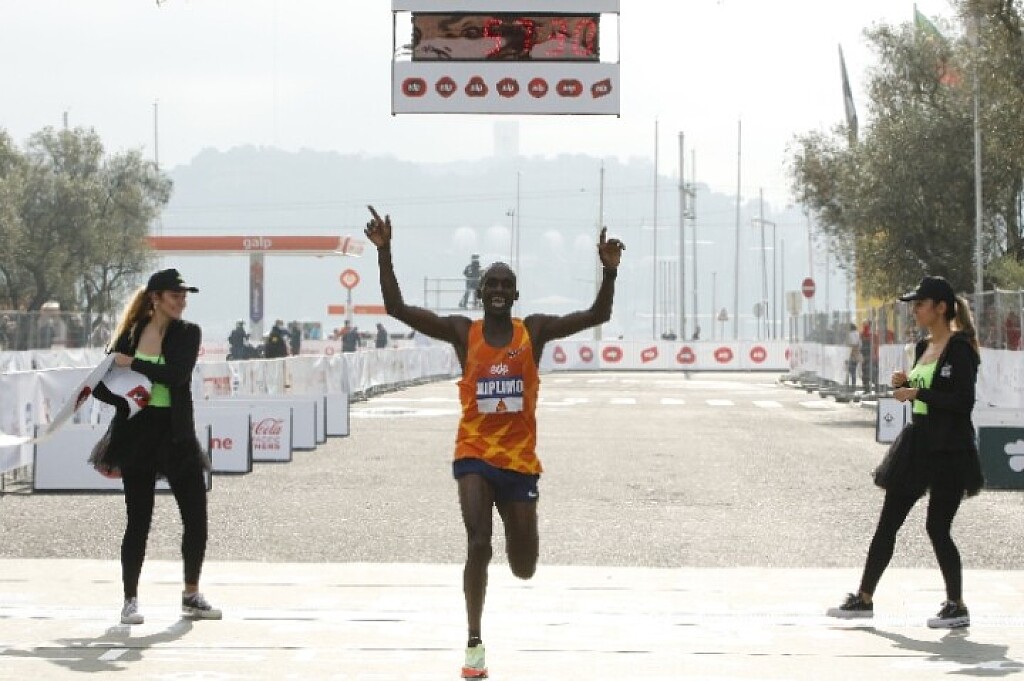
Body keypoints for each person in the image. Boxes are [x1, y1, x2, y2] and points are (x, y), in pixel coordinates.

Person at [364, 205, 624, 679]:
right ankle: (473, 644)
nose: (499, 290)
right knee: (478, 543)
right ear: (481, 292)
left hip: (519, 462)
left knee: (523, 566)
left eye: (506, 284)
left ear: (515, 294)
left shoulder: (533, 331)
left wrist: (608, 271)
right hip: (475, 454)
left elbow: (597, 314)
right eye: (492, 284)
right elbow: (398, 309)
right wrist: (385, 252)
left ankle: (518, 532)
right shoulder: (463, 333)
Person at [826, 276, 983, 628]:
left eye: (920, 304)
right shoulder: (922, 346)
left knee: (937, 527)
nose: (915, 311)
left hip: (950, 448)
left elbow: (962, 402)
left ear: (940, 308)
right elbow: (924, 397)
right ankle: (863, 598)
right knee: (888, 523)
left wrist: (917, 393)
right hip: (919, 443)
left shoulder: (960, 349)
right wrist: (907, 386)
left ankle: (956, 605)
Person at [91, 268, 221, 625]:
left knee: (196, 517)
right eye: (175, 296)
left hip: (177, 433)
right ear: (156, 298)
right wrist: (128, 399)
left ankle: (191, 594)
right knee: (138, 519)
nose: (182, 302)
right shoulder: (129, 334)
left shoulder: (187, 332)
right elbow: (100, 385)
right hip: (137, 434)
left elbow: (176, 375)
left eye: (184, 296)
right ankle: (130, 600)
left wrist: (134, 364)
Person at [844, 322, 860, 389]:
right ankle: (853, 386)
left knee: (848, 370)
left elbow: (849, 344)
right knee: (853, 371)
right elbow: (859, 344)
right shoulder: (858, 334)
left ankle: (847, 385)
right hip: (856, 354)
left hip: (850, 354)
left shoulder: (850, 334)